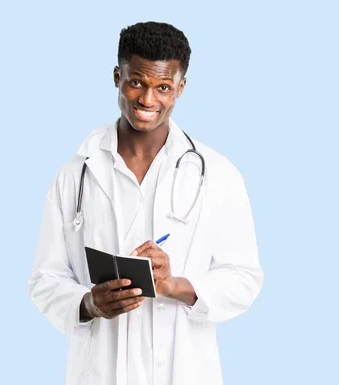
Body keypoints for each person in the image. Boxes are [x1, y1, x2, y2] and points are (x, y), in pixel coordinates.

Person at [28, 21, 264, 385]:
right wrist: (88, 304)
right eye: (136, 82)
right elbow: (45, 280)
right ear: (116, 77)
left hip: (183, 372)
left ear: (180, 89)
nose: (148, 100)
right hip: (100, 373)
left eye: (163, 87)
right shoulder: (75, 175)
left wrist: (175, 286)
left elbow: (245, 278)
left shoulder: (217, 174)